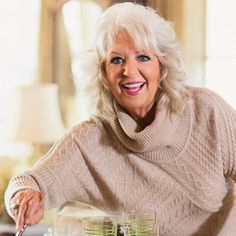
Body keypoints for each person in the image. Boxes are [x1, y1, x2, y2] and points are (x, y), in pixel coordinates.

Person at [4, 2, 236, 236]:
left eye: (143, 57)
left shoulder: (207, 111)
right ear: (102, 72)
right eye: (116, 60)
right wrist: (23, 198)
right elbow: (25, 182)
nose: (130, 71)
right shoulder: (89, 140)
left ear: (162, 64)